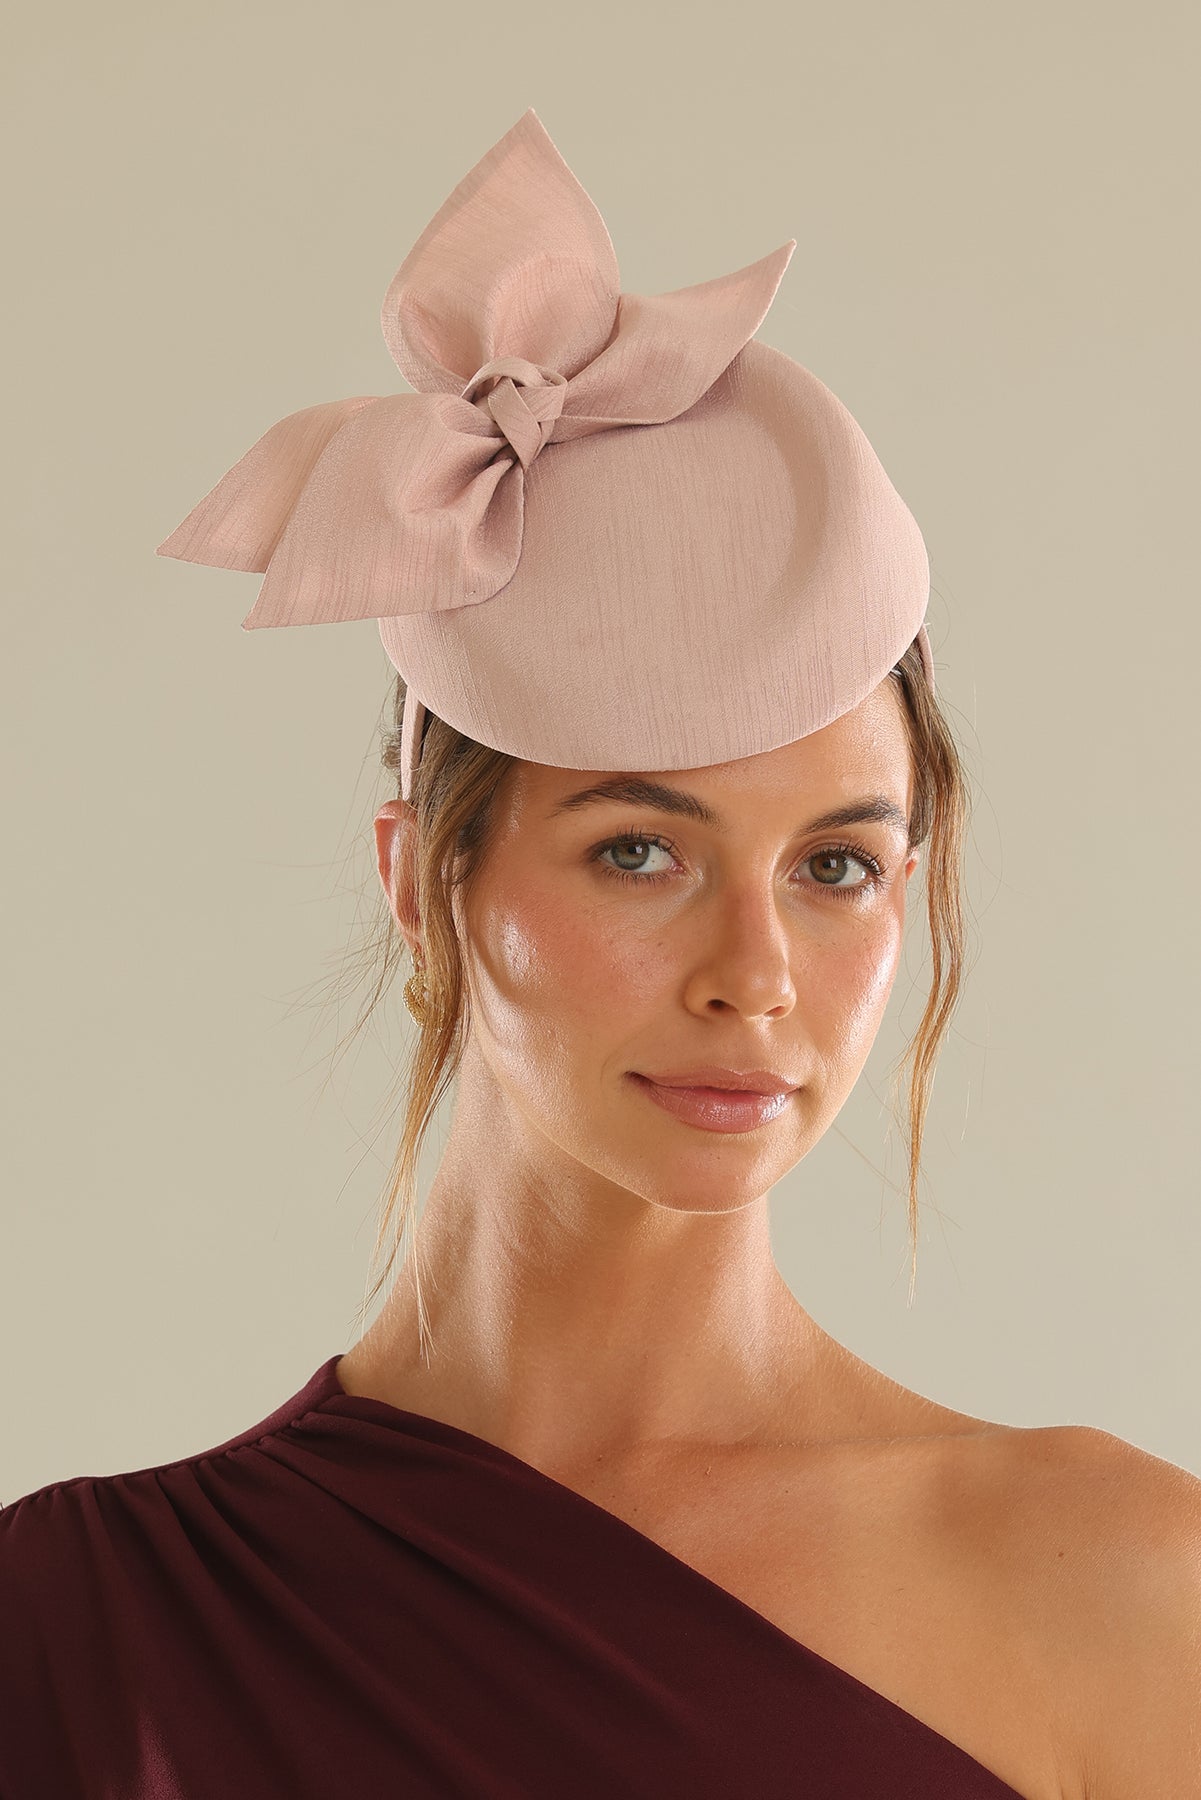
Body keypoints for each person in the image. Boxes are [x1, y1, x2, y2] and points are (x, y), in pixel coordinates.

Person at [2, 107, 1197, 1800]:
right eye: (639, 851)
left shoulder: (1125, 1591)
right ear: (425, 881)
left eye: (836, 867)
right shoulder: (82, 1630)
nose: (753, 974)